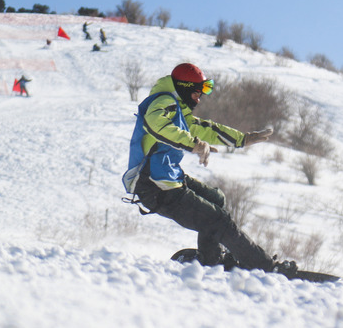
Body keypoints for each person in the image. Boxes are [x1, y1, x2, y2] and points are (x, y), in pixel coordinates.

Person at [127, 63, 297, 277]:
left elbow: (205, 128)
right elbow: (155, 124)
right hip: (154, 186)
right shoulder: (163, 102)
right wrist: (194, 144)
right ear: (185, 88)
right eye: (198, 92)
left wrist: (242, 139)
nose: (200, 98)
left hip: (167, 179)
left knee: (216, 199)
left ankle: (211, 259)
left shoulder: (178, 112)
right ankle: (266, 268)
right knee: (217, 220)